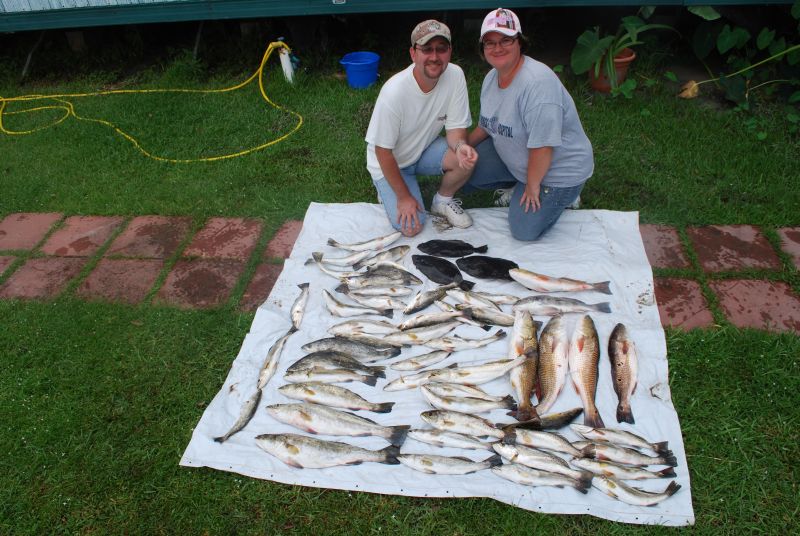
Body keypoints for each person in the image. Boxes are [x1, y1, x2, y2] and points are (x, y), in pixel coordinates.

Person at [466, 8, 594, 241]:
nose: (497, 48)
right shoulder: (491, 77)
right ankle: (519, 180)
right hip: (523, 155)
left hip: (558, 171)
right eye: (490, 43)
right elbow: (486, 125)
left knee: (523, 229)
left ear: (520, 42)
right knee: (464, 171)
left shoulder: (538, 84)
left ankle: (568, 194)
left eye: (506, 40)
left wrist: (532, 186)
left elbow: (543, 146)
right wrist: (460, 148)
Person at [365, 19, 478, 237]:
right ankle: (386, 187)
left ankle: (442, 201)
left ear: (449, 51)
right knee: (412, 227)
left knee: (465, 157)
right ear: (413, 53)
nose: (434, 57)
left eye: (441, 49)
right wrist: (403, 197)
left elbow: (455, 129)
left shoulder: (455, 75)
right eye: (426, 49)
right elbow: (382, 151)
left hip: (422, 149)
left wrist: (461, 146)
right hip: (390, 162)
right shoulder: (394, 92)